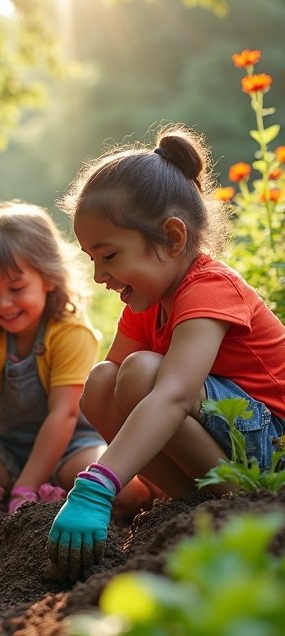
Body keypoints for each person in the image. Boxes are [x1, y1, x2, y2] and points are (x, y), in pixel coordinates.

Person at [48, 125, 285, 585]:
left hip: (274, 439)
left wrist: (98, 484)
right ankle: (189, 509)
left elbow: (173, 395)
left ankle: (242, 504)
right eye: (91, 259)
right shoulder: (148, 301)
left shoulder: (210, 288)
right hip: (234, 436)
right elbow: (110, 392)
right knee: (101, 382)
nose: (99, 275)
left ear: (172, 238)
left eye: (109, 255)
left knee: (141, 375)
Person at [0, 201, 150, 549]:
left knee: (132, 494)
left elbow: (64, 414)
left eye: (16, 289)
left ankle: (38, 492)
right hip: (6, 445)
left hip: (71, 446)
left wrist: (26, 487)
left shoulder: (70, 333)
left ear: (48, 278)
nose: (3, 304)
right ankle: (3, 496)